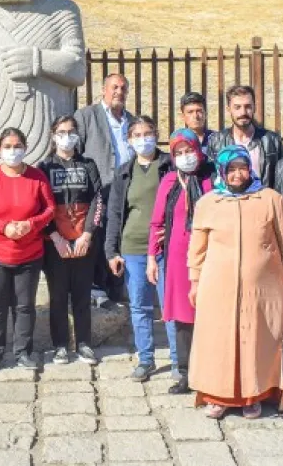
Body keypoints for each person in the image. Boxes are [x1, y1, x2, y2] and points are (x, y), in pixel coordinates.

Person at [186, 146, 283, 418]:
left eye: (242, 167)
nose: (238, 174)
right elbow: (197, 249)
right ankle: (218, 396)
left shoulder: (270, 199)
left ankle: (255, 395)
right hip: (218, 287)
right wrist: (195, 282)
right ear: (222, 172)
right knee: (219, 341)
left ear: (250, 168)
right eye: (231, 169)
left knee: (259, 340)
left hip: (264, 288)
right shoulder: (208, 203)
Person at [0, 127, 55, 372]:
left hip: (29, 254)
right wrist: (3, 227)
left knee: (24, 306)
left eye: (17, 146)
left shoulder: (37, 177)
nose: (12, 151)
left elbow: (49, 209)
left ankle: (23, 352)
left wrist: (31, 224)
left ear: (25, 148)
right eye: (7, 147)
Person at [105, 116, 178, 381]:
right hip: (133, 246)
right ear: (129, 139)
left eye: (148, 133)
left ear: (156, 134)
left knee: (169, 305)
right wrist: (111, 251)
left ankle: (177, 360)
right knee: (139, 306)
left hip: (165, 247)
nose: (143, 139)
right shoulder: (125, 171)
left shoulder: (170, 165)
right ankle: (145, 359)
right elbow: (115, 213)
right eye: (137, 135)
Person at [145, 128, 214, 394]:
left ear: (198, 150)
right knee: (184, 318)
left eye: (189, 151)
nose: (186, 157)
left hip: (209, 257)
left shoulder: (212, 178)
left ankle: (210, 371)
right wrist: (152, 257)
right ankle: (186, 372)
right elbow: (157, 222)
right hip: (176, 258)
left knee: (208, 315)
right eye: (179, 153)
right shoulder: (170, 181)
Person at [37, 115, 104, 365]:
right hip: (56, 244)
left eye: (71, 131)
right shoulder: (44, 168)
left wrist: (88, 234)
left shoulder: (88, 164)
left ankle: (84, 343)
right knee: (57, 296)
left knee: (82, 295)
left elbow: (98, 200)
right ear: (53, 136)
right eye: (61, 131)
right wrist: (54, 237)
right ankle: (60, 346)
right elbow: (40, 206)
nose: (67, 136)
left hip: (84, 241)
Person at [75, 73, 134, 304]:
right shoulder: (86, 116)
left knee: (120, 238)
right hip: (99, 190)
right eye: (114, 87)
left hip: (126, 190)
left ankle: (117, 289)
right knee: (98, 237)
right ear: (104, 90)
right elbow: (76, 150)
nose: (119, 91)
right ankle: (98, 289)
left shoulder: (131, 120)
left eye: (123, 88)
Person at [205, 86, 283, 189]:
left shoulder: (272, 140)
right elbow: (212, 180)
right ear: (229, 109)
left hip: (263, 202)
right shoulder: (216, 141)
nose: (243, 112)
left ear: (254, 108)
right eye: (237, 107)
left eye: (248, 106)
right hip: (228, 202)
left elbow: (281, 179)